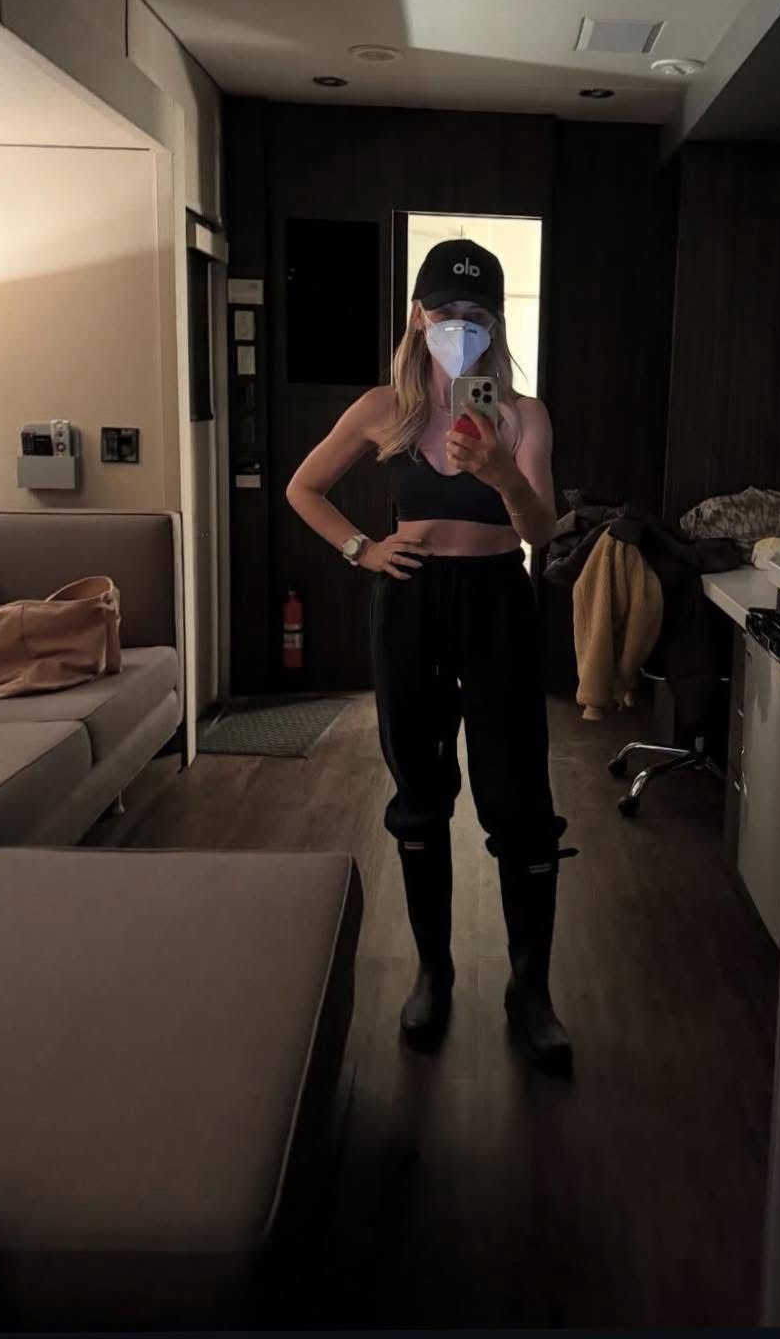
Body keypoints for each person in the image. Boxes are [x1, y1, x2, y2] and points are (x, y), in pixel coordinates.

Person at [286, 240, 574, 1073]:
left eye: (476, 315)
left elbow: (540, 531)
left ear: (496, 323)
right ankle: (432, 974)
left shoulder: (521, 414)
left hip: (497, 600)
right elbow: (304, 487)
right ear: (418, 317)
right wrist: (361, 549)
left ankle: (530, 989)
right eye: (445, 312)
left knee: (518, 796)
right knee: (418, 788)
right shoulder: (386, 408)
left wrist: (501, 472)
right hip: (409, 597)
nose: (459, 327)